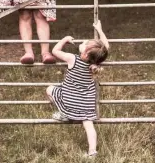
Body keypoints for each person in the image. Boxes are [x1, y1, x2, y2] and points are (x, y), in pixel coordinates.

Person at [46, 20, 110, 158]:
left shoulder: (72, 59)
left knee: (50, 89)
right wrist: (100, 30)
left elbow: (54, 51)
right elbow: (106, 46)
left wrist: (64, 39)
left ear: (86, 54)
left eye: (84, 44)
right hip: (86, 103)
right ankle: (92, 151)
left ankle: (63, 113)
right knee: (89, 125)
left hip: (69, 100)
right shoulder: (97, 63)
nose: (83, 42)